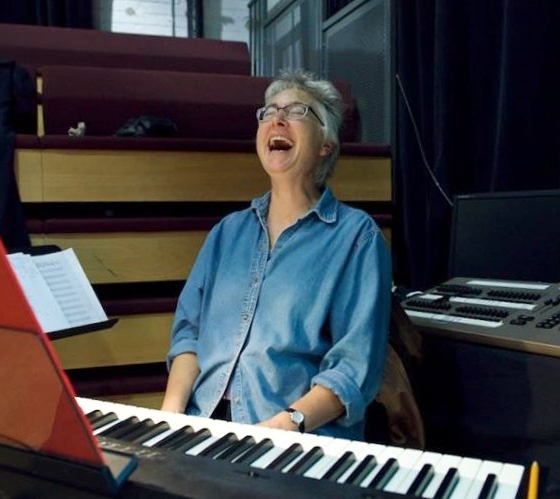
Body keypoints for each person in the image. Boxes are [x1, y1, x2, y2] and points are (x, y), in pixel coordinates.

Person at [161, 68, 392, 441]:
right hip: (202, 427)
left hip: (295, 438)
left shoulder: (357, 237)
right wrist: (170, 420)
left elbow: (352, 371)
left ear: (325, 145)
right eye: (268, 112)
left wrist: (276, 431)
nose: (278, 119)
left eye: (298, 112)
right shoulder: (226, 233)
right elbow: (189, 335)